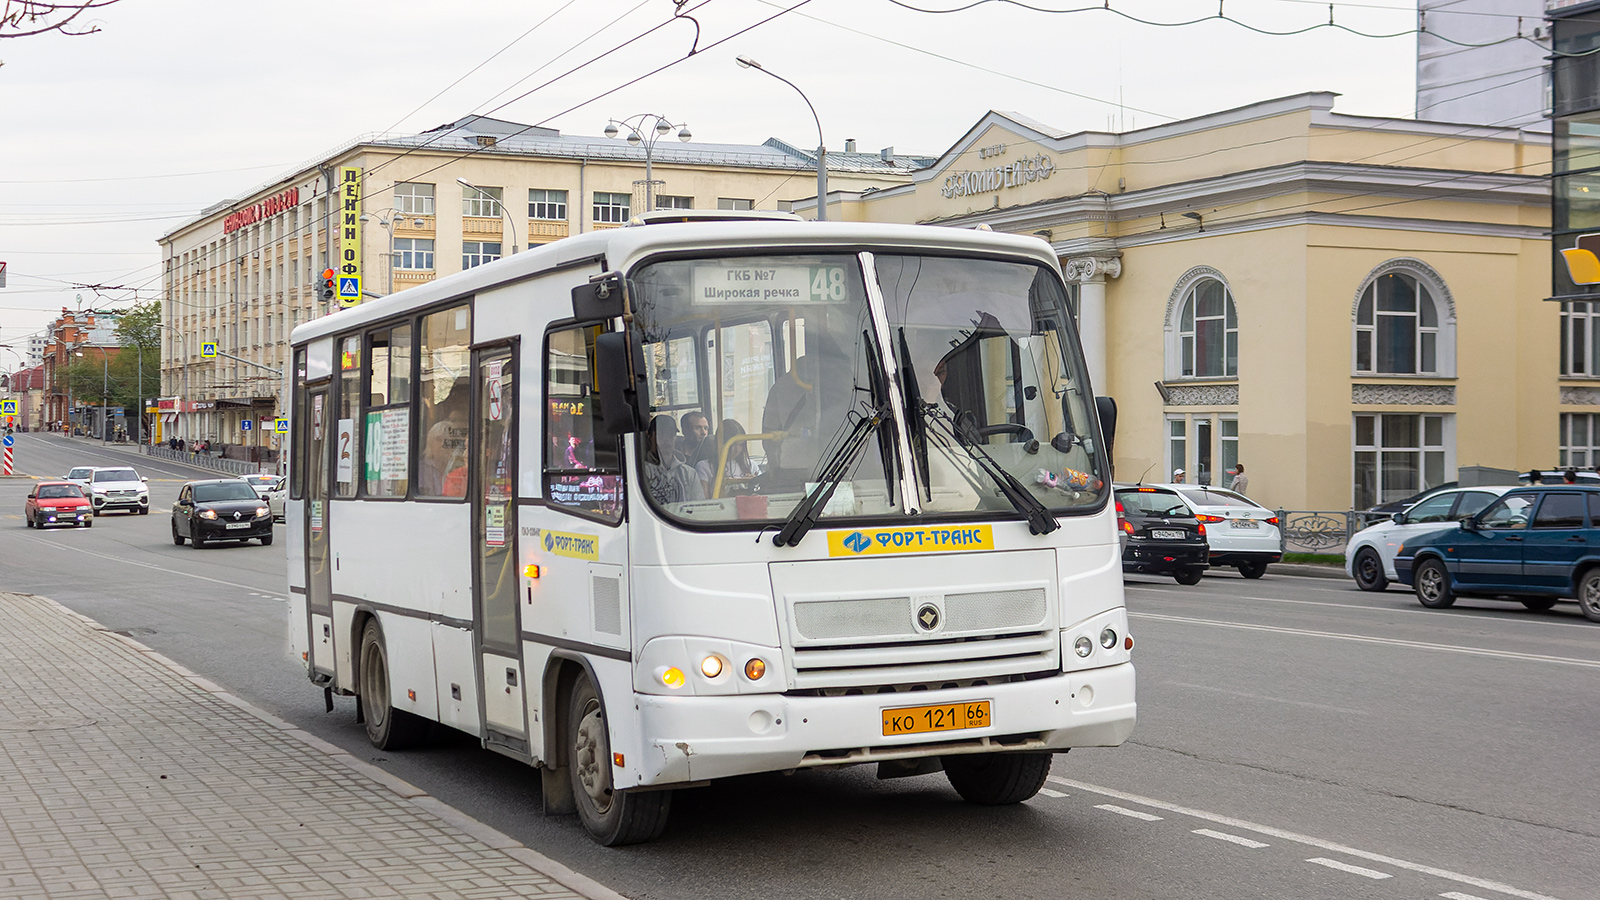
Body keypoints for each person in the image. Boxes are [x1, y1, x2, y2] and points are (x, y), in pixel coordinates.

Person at [644, 415, 705, 504]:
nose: (667, 439)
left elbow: (699, 507)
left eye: (671, 435)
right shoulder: (640, 471)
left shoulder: (688, 474)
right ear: (650, 436)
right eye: (662, 434)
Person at [696, 419, 761, 495]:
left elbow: (762, 495)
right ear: (720, 443)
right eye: (732, 445)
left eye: (740, 445)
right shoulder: (704, 467)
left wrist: (754, 482)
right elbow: (705, 503)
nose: (737, 450)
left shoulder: (751, 465)